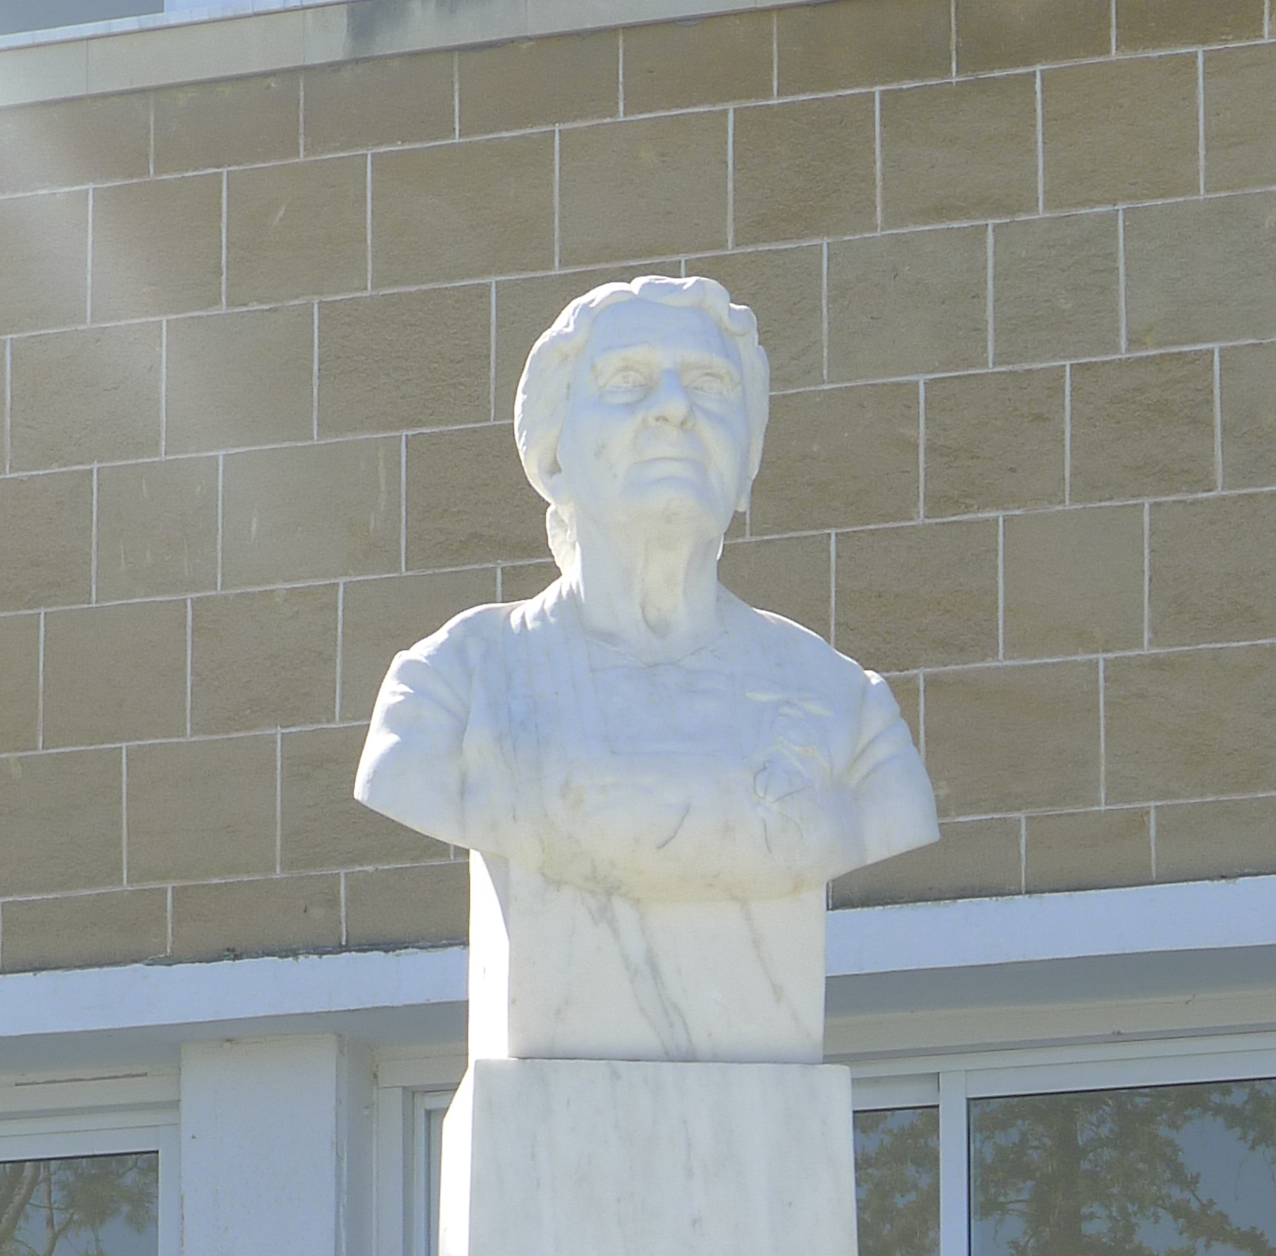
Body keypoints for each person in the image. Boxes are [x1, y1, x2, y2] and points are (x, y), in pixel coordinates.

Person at [354, 273, 938, 904]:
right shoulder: (452, 688)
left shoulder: (849, 711)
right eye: (627, 380)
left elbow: (891, 812)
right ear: (553, 457)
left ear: (747, 459)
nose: (676, 407)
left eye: (710, 384)